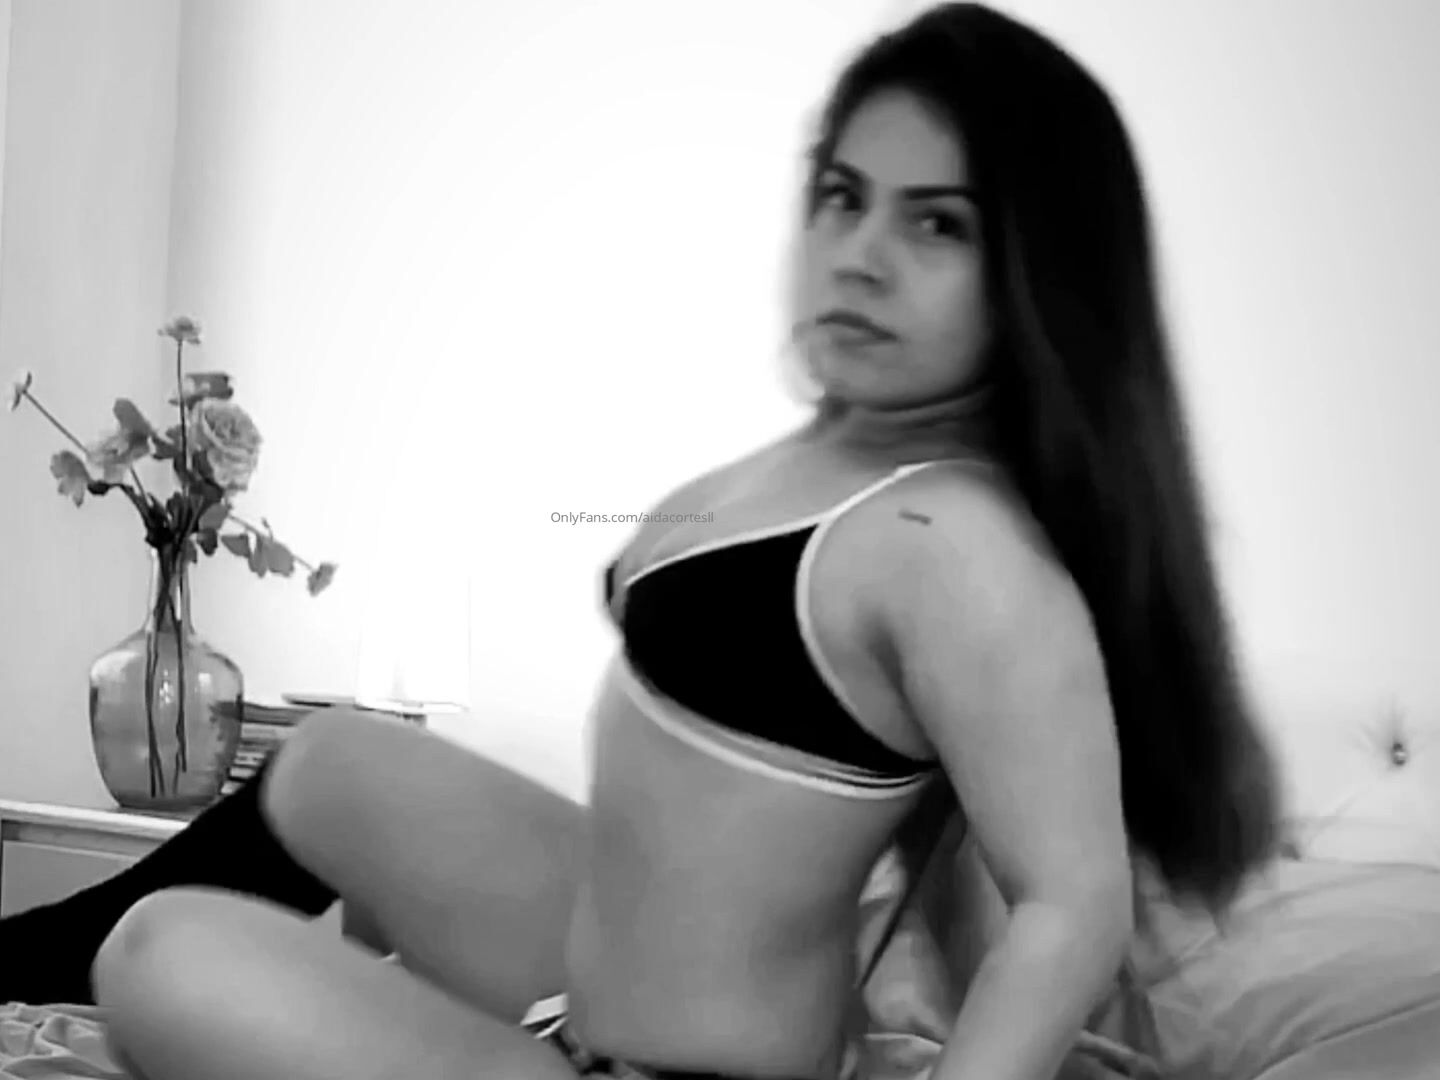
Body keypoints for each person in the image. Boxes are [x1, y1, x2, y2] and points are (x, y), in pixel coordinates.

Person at [4, 4, 1282, 1078]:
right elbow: (929, 852)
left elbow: (1071, 906)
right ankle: (42, 955)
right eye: (844, 198)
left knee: (163, 953)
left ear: (1042, 270)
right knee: (331, 760)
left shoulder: (962, 545)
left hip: (682, 1066)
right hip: (591, 983)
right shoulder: (841, 465)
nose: (863, 256)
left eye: (937, 224)